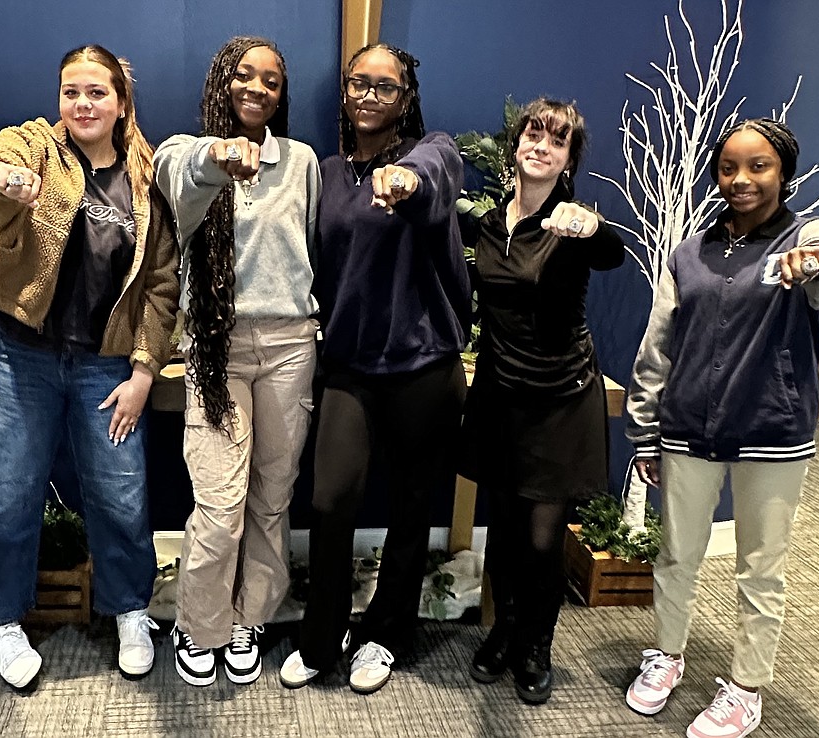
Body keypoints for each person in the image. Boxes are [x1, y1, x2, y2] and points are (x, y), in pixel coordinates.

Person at [623, 119, 819, 738]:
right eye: (730, 168)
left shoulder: (807, 237)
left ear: (782, 172)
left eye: (758, 166)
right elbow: (658, 348)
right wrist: (645, 429)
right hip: (688, 427)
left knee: (760, 567)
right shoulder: (690, 253)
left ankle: (746, 689)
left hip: (773, 430)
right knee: (677, 554)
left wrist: (817, 257)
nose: (742, 179)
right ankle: (666, 655)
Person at [0, 45, 179, 690]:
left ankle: (130, 610)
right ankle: (0, 621)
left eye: (96, 93)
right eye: (71, 92)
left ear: (121, 102)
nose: (81, 105)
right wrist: (3, 180)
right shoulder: (36, 145)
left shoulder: (146, 175)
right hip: (21, 354)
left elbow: (162, 285)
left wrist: (144, 373)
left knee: (120, 495)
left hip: (106, 366)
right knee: (5, 497)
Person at [279, 43, 470, 695]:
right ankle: (323, 633)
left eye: (383, 87)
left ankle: (385, 635)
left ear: (404, 98)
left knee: (413, 506)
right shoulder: (328, 173)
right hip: (350, 366)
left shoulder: (432, 151)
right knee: (331, 498)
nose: (367, 95)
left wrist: (406, 180)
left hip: (424, 364)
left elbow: (433, 176)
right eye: (357, 83)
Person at [154, 36, 320, 688]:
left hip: (289, 346)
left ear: (282, 95)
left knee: (271, 498)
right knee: (220, 504)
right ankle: (200, 625)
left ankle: (249, 617)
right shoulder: (185, 153)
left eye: (271, 81)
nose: (257, 88)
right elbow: (180, 182)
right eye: (244, 76)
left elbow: (319, 248)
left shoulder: (302, 161)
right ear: (223, 81)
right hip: (216, 346)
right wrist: (218, 156)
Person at [465, 98, 624, 703]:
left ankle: (536, 644)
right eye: (534, 134)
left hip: (560, 399)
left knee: (540, 539)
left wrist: (594, 225)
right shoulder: (487, 224)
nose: (541, 146)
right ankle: (503, 631)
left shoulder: (572, 223)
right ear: (517, 146)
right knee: (503, 529)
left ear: (568, 160)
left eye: (556, 141)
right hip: (501, 396)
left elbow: (612, 251)